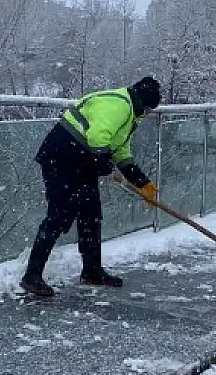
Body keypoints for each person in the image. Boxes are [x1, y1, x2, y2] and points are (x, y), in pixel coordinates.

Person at [19, 77, 162, 297]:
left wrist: (143, 183)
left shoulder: (129, 112)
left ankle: (92, 271)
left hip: (82, 162)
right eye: (149, 109)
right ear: (144, 104)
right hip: (61, 158)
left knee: (91, 214)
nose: (147, 114)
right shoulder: (120, 106)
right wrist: (102, 164)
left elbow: (121, 152)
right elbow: (98, 136)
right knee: (59, 216)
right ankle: (32, 276)